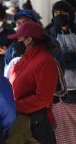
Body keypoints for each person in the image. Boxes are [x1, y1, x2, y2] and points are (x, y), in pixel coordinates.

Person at [8, 22, 58, 144]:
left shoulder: (45, 61)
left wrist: (15, 106)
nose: (15, 42)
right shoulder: (26, 58)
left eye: (18, 38)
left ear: (28, 40)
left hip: (36, 125)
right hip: (22, 120)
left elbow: (43, 98)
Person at [45, 1, 76, 143]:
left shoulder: (75, 30)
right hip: (61, 89)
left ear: (70, 14)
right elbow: (51, 58)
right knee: (64, 124)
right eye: (55, 13)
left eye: (62, 13)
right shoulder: (48, 33)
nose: (58, 16)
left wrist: (65, 57)